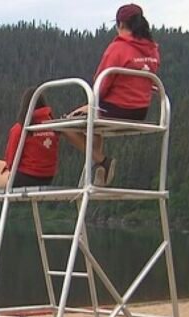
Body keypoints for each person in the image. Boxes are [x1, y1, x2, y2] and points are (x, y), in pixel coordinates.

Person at [63, 3, 160, 186]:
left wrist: (91, 104)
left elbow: (102, 82)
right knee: (93, 124)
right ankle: (98, 172)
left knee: (65, 124)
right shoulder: (153, 50)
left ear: (120, 25)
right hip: (140, 111)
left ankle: (102, 161)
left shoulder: (118, 48)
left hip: (117, 109)